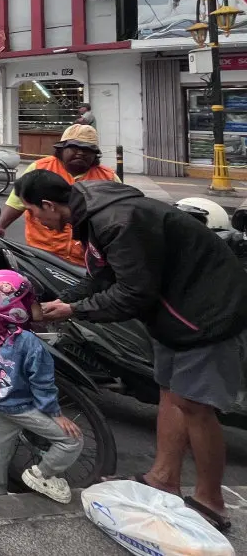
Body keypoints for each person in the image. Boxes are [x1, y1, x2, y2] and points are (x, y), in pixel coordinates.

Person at [21, 171, 247, 531]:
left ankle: (211, 502)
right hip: (174, 313)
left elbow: (133, 292)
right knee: (171, 395)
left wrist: (76, 311)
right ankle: (163, 479)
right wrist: (67, 299)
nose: (35, 220)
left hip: (205, 313)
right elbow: (105, 275)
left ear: (49, 205)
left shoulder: (116, 220)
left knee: (196, 406)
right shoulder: (94, 213)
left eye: (33, 212)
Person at [0, 269, 83, 502]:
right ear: (17, 310)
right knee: (72, 440)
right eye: (31, 300)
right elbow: (42, 383)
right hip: (15, 404)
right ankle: (41, 474)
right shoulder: (31, 343)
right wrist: (55, 414)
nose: (38, 305)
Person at [0, 124, 118, 265]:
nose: (81, 153)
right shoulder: (39, 168)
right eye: (74, 147)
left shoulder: (108, 178)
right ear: (61, 149)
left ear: (95, 154)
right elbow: (16, 203)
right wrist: (0, 226)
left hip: (86, 262)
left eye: (87, 149)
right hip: (43, 255)